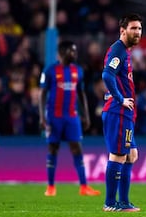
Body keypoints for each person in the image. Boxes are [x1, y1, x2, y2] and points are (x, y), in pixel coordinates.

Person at [39, 40, 100, 197]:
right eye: (72, 51)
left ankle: (84, 187)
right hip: (54, 117)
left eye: (75, 51)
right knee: (53, 148)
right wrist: (42, 117)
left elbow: (81, 93)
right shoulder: (50, 70)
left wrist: (86, 114)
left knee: (77, 148)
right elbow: (42, 94)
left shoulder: (78, 71)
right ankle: (51, 187)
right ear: (62, 53)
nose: (75, 54)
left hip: (72, 117)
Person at [101, 13, 143, 212]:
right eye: (133, 28)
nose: (138, 32)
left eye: (140, 28)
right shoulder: (118, 50)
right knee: (118, 155)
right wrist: (120, 98)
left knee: (131, 155)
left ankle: (124, 202)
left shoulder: (125, 51)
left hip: (126, 113)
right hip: (118, 111)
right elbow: (107, 74)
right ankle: (110, 203)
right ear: (122, 31)